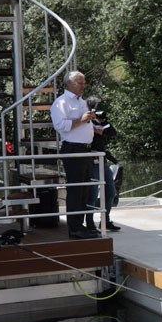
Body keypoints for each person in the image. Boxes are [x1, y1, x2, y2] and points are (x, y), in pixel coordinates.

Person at [51, 71, 102, 239]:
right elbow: (60, 125)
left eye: (84, 83)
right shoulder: (61, 102)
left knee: (84, 190)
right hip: (73, 150)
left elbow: (82, 122)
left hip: (85, 150)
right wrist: (82, 120)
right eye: (80, 83)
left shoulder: (82, 102)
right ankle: (74, 228)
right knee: (75, 190)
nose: (83, 86)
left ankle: (81, 225)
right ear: (69, 84)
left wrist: (92, 125)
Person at [84, 95, 122, 232]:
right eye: (93, 109)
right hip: (92, 161)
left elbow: (112, 132)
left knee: (111, 192)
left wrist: (103, 121)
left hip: (102, 161)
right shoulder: (85, 121)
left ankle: (105, 220)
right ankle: (89, 223)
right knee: (93, 194)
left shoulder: (97, 122)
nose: (94, 112)